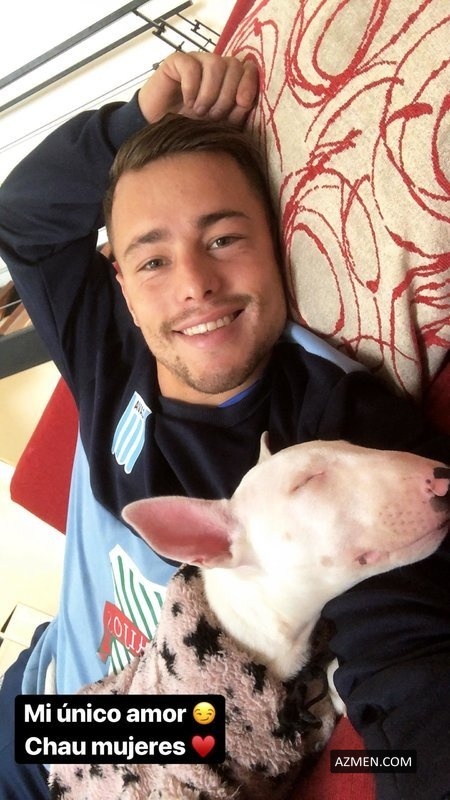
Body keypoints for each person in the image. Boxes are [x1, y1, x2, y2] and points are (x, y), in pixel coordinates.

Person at [0, 51, 448, 800]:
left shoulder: (332, 426)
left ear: (276, 241)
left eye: (223, 240)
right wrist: (131, 122)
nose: (196, 286)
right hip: (37, 695)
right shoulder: (109, 349)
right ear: (122, 286)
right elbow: (21, 218)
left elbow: (409, 662)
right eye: (153, 261)